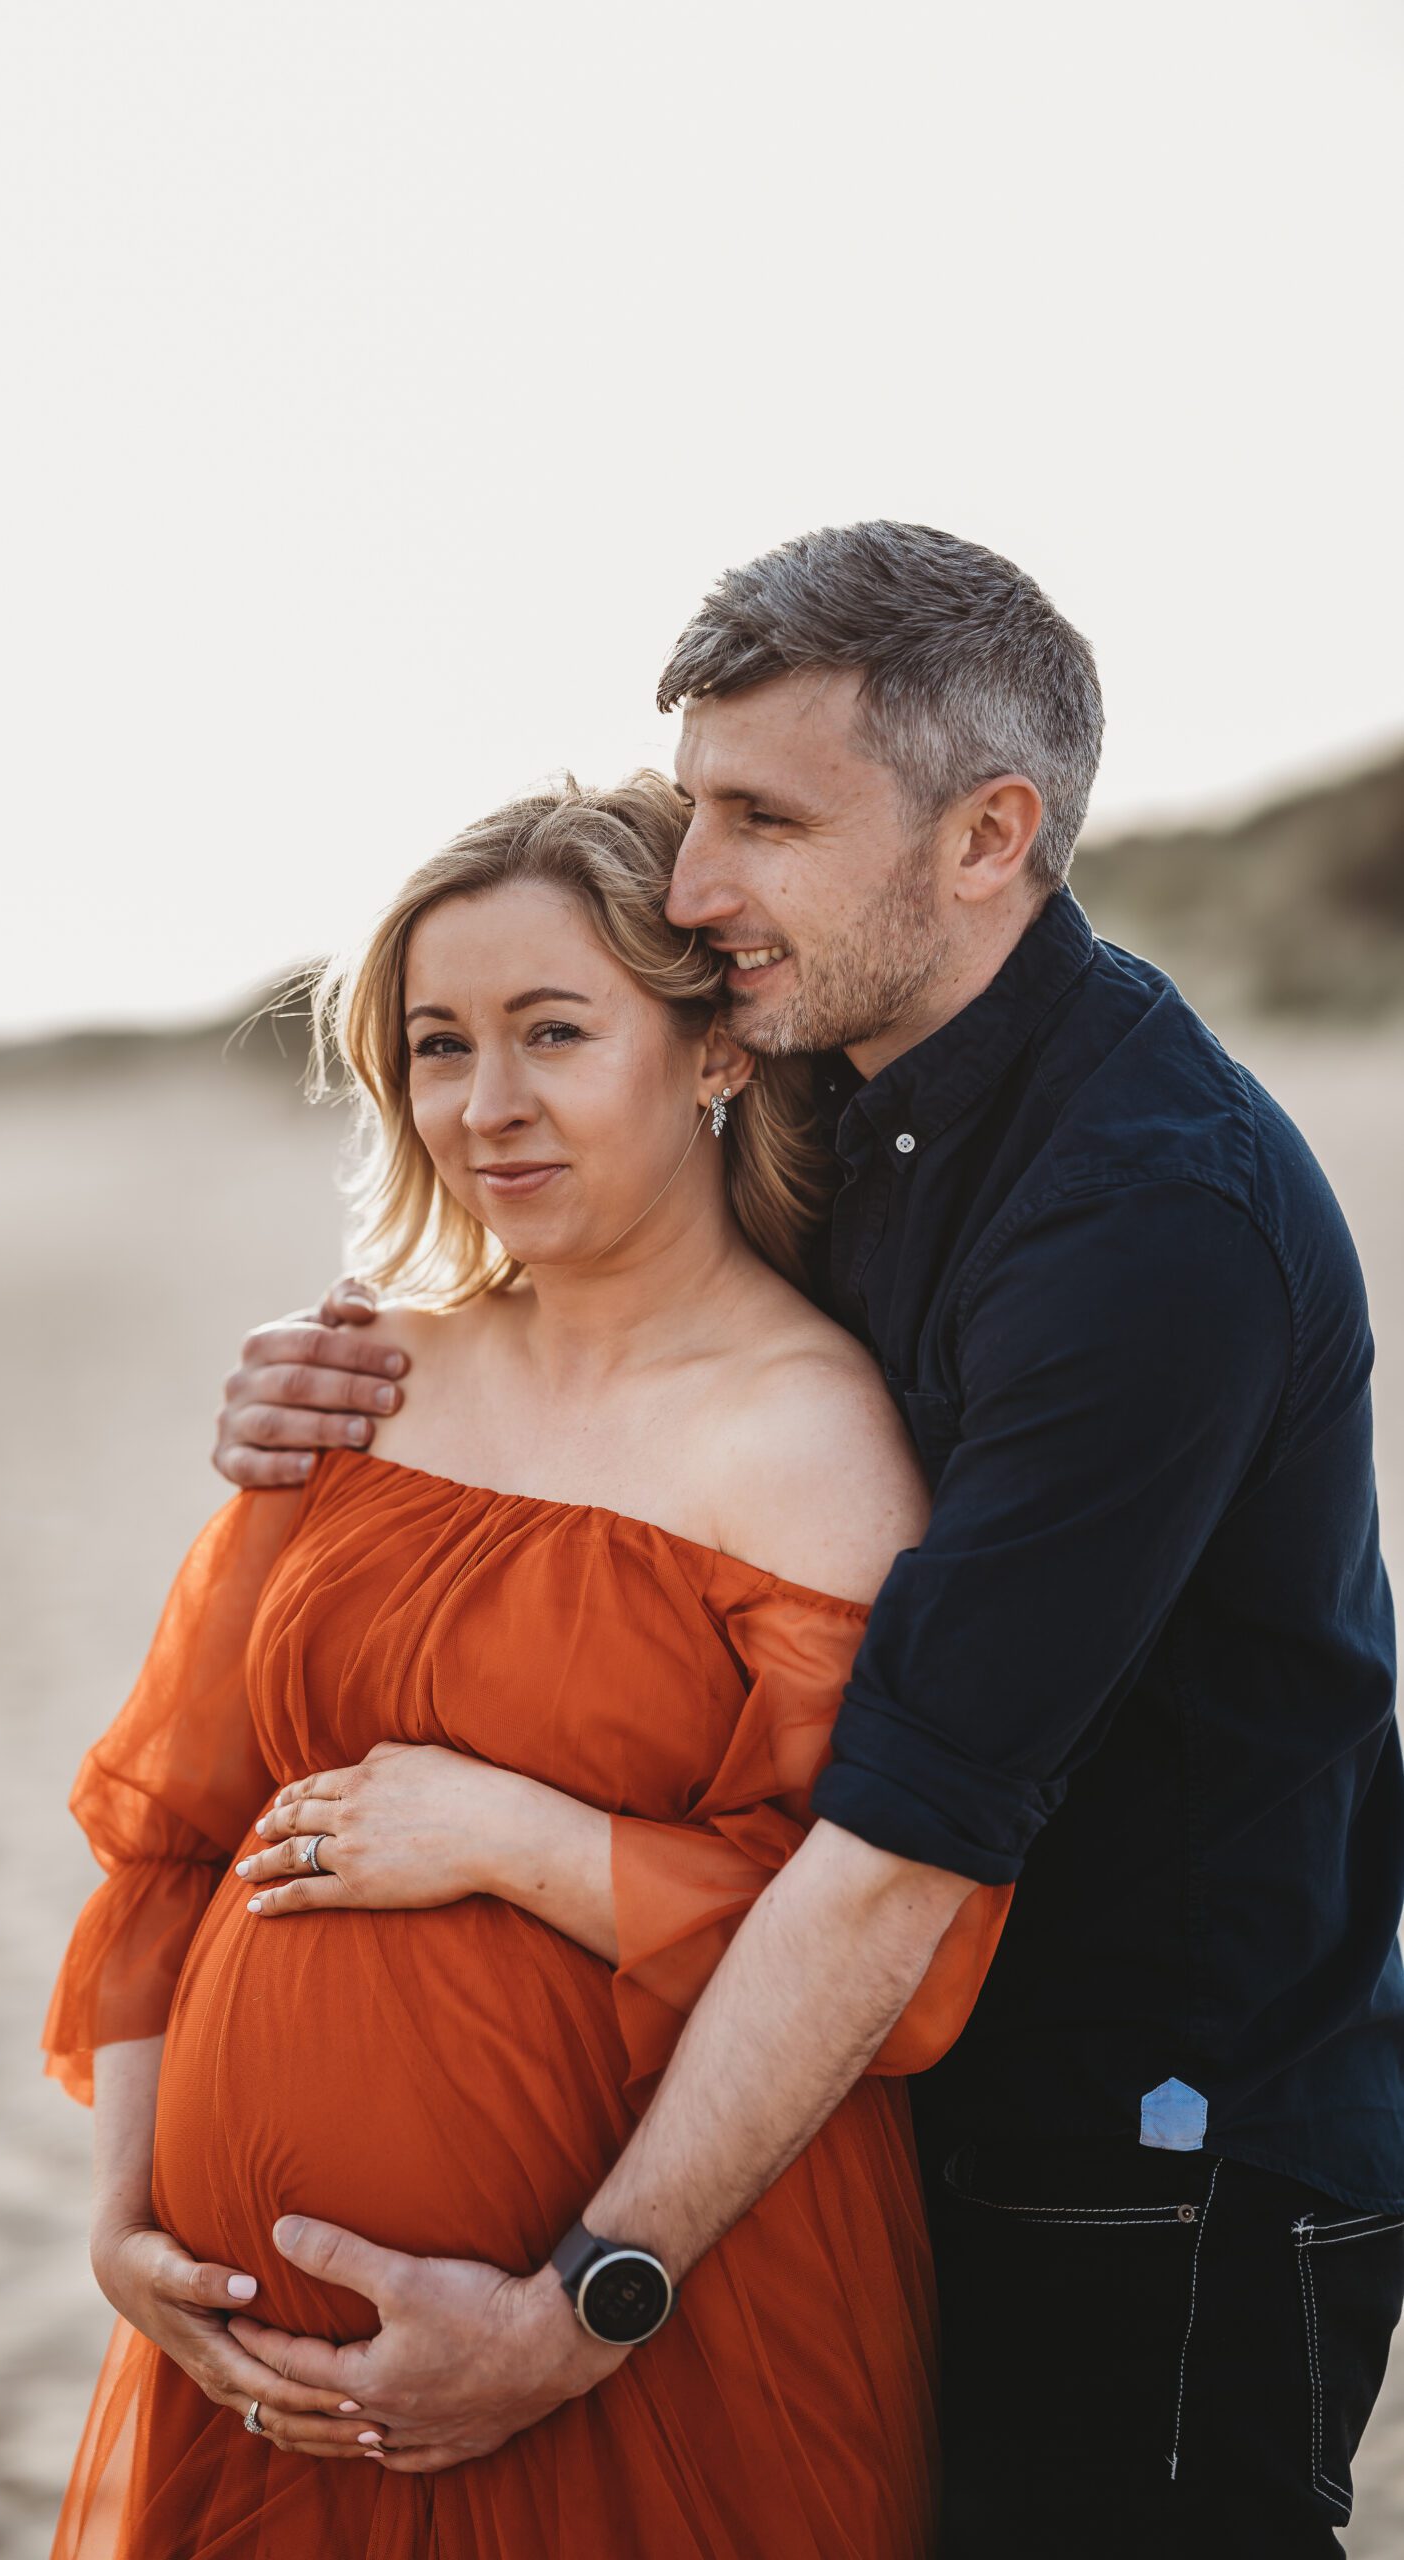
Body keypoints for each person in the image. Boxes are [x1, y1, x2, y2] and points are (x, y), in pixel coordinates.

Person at [213, 522, 1404, 2556]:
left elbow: (893, 1855)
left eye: (761, 820)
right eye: (692, 811)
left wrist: (579, 2299)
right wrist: (326, 1381)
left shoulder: (1144, 1221)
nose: (690, 890)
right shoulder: (841, 1093)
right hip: (867, 2117)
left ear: (983, 835)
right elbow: (622, 1356)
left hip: (1152, 2149)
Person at [43, 770, 1012, 2559]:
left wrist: (518, 1837)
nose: (486, 1107)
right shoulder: (362, 1380)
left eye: (553, 1032)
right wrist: (125, 2221)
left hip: (652, 2350)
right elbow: (177, 1828)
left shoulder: (811, 1445)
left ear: (716, 1051)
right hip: (249, 2365)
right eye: (436, 1046)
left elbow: (894, 1950)